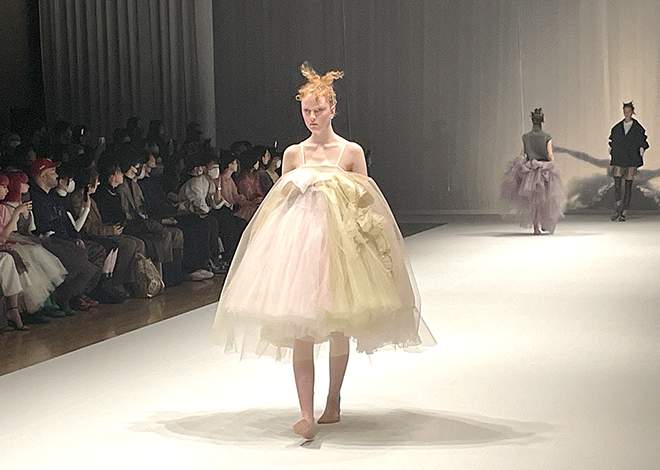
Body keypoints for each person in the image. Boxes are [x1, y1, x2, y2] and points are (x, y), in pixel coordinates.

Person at [213, 63, 436, 440]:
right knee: (300, 327)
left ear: (333, 109)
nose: (312, 117)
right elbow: (280, 202)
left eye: (318, 110)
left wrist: (373, 249)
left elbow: (366, 204)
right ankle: (305, 413)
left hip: (342, 247)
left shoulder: (350, 152)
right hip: (298, 246)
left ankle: (333, 401)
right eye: (306, 111)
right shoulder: (293, 154)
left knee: (338, 327)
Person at [501, 108, 566, 235]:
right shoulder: (547, 137)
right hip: (545, 169)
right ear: (542, 121)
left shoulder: (525, 137)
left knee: (533, 201)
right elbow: (550, 155)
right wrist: (553, 165)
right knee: (545, 200)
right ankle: (545, 224)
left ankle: (536, 227)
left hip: (529, 170)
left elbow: (524, 153)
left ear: (532, 121)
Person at [608, 101, 649, 221]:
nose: (626, 114)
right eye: (625, 111)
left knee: (629, 181)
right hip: (620, 156)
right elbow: (613, 141)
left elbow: (642, 141)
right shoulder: (617, 128)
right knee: (617, 177)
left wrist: (641, 149)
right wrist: (612, 149)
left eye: (629, 111)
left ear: (632, 112)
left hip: (632, 156)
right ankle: (618, 207)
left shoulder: (637, 128)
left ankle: (624, 210)